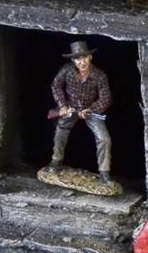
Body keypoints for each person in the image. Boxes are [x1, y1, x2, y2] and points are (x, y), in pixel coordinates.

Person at [48, 39, 113, 180]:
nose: (82, 62)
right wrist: (62, 105)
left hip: (90, 110)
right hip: (70, 107)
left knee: (104, 139)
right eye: (78, 59)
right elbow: (56, 85)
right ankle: (56, 160)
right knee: (61, 129)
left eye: (84, 58)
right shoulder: (67, 70)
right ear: (73, 60)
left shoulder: (100, 75)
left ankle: (104, 171)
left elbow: (106, 98)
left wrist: (91, 109)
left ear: (90, 57)